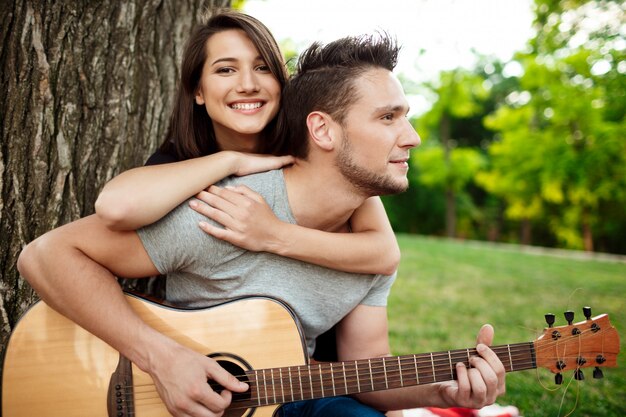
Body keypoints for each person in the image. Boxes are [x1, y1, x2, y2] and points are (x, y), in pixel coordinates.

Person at [18, 33, 506, 417]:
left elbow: (363, 375)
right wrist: (162, 359)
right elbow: (46, 254)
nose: (414, 137)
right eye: (388, 117)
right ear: (321, 130)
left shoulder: (371, 246)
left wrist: (446, 388)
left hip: (291, 397)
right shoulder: (227, 210)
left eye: (406, 117)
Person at [94, 10, 401, 283]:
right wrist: (231, 162)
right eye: (225, 70)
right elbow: (115, 208)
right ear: (198, 90)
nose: (247, 84)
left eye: (263, 67)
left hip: (313, 331)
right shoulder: (178, 160)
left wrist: (272, 235)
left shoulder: (311, 145)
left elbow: (384, 253)